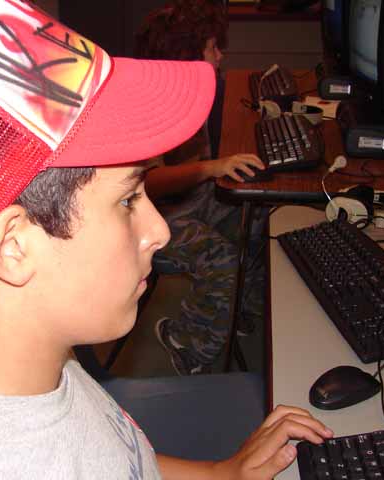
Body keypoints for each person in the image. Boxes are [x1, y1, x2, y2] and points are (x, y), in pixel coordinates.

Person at [0, 0, 332, 478]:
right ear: (14, 247)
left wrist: (223, 474)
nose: (159, 231)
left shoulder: (20, 352)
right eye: (128, 200)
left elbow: (119, 459)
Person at [135, 0, 268, 375]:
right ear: (186, 56)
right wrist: (213, 168)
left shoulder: (191, 92)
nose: (220, 55)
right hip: (152, 221)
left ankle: (236, 309)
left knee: (258, 216)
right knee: (221, 259)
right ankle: (185, 341)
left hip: (194, 202)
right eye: (212, 48)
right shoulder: (149, 107)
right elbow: (150, 182)